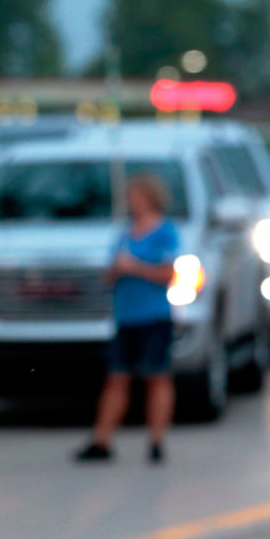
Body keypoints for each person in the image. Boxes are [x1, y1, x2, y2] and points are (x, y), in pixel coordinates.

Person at [75, 173, 180, 464]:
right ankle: (102, 440)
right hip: (126, 317)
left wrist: (133, 266)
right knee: (117, 378)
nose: (131, 203)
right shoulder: (124, 233)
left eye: (136, 196)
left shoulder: (165, 232)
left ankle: (157, 440)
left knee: (157, 377)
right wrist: (116, 269)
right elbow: (110, 274)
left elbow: (168, 273)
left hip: (154, 316)